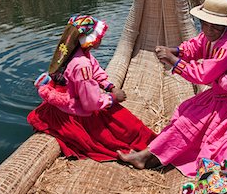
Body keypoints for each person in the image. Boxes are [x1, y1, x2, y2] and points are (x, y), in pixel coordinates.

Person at [117, 0, 227, 176]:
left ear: (225, 25)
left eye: (214, 25)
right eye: (204, 23)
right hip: (220, 95)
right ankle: (153, 154)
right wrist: (174, 50)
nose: (208, 29)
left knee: (189, 122)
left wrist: (173, 60)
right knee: (185, 110)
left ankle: (144, 157)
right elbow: (194, 47)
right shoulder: (212, 35)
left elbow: (202, 75)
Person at [27, 15, 156, 161]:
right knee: (128, 129)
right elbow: (90, 104)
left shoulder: (74, 52)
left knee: (126, 122)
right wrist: (113, 98)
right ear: (89, 39)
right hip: (77, 113)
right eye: (99, 36)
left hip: (70, 103)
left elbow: (95, 69)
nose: (101, 39)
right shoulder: (81, 65)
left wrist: (110, 86)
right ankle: (147, 154)